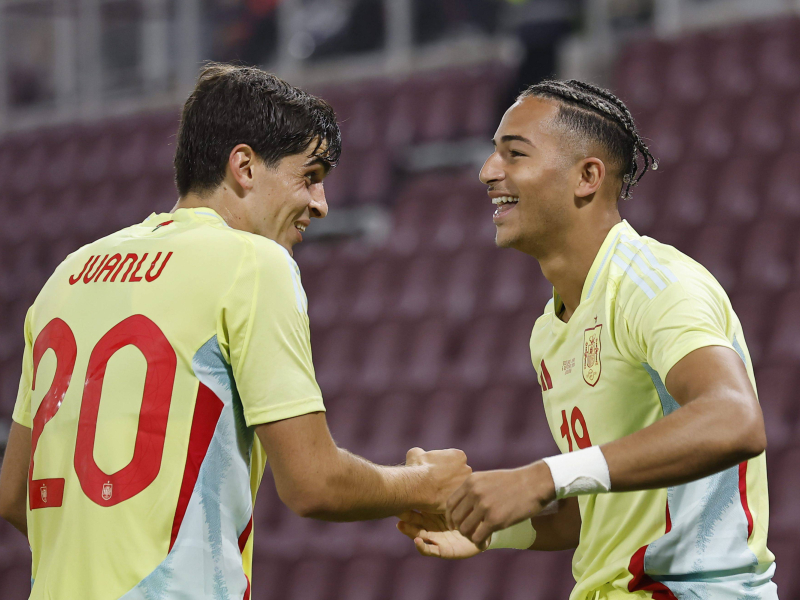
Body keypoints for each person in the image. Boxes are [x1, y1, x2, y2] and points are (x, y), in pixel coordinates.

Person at [0, 63, 470, 599]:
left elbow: (15, 497)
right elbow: (313, 484)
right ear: (244, 166)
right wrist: (424, 484)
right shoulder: (254, 263)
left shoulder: (69, 274)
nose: (321, 204)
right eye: (309, 177)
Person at [397, 80, 777, 599]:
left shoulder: (656, 285)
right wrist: (489, 523)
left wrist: (538, 477)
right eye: (492, 153)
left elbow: (735, 418)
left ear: (587, 176)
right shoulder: (548, 331)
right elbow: (601, 502)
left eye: (514, 153)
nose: (488, 171)